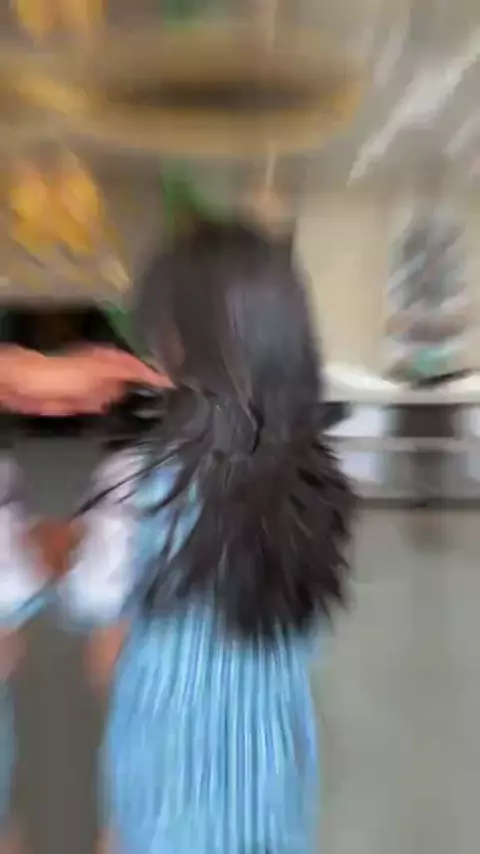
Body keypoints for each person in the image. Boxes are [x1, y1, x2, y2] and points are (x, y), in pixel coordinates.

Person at [14, 222, 353, 854]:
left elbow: (92, 603)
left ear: (182, 345)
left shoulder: (142, 484)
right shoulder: (319, 483)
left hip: (166, 763)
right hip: (271, 762)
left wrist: (57, 549)